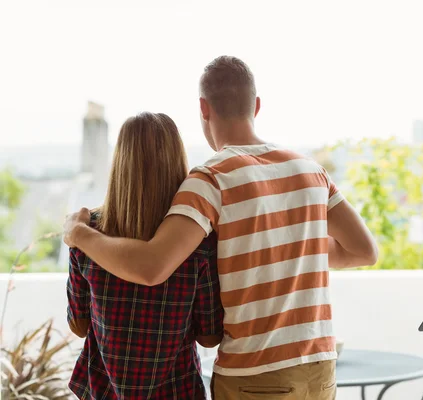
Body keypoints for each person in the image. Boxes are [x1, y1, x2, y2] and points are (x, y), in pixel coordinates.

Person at [63, 56, 378, 400]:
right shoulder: (310, 170)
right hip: (320, 370)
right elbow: (364, 251)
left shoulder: (211, 178)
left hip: (255, 376)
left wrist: (79, 234)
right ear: (256, 106)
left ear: (203, 108)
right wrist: (290, 245)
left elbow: (151, 267)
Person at [66, 112, 223, 400]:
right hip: (177, 392)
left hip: (102, 391)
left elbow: (78, 325)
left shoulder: (86, 234)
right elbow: (210, 336)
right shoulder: (196, 240)